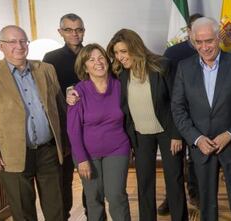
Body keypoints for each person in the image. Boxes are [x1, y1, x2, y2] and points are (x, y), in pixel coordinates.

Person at [67, 29, 188, 221]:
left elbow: (177, 101)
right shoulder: (121, 74)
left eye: (123, 51)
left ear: (135, 48)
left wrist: (177, 134)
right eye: (116, 53)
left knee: (174, 180)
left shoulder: (163, 66)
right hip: (140, 136)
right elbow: (91, 85)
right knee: (144, 183)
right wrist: (70, 92)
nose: (119, 57)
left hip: (167, 132)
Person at [171, 17, 231, 221]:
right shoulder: (184, 68)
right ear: (193, 42)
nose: (204, 47)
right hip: (201, 149)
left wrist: (230, 134)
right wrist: (197, 139)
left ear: (218, 38)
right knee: (206, 207)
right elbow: (178, 108)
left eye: (209, 41)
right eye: (199, 42)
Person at [0, 25, 67, 221]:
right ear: (0, 46)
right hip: (11, 154)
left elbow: (60, 109)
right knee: (22, 210)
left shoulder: (46, 69)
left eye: (23, 41)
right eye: (12, 42)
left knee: (56, 208)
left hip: (48, 150)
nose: (19, 46)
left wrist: (65, 143)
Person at [67, 43, 131, 221]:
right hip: (87, 154)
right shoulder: (77, 92)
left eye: (101, 57)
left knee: (116, 196)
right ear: (84, 66)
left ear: (108, 61)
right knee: (94, 199)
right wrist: (81, 159)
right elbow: (73, 129)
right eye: (91, 59)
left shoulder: (120, 86)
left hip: (117, 149)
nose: (98, 62)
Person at [158, 13, 203, 215]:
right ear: (188, 31)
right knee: (174, 162)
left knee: (198, 158)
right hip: (174, 115)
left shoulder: (210, 50)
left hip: (201, 116)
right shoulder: (173, 52)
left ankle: (197, 194)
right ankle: (172, 197)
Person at [42, 13, 85, 219]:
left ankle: (93, 213)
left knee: (91, 176)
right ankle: (65, 216)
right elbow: (49, 95)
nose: (74, 33)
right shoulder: (51, 59)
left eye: (79, 29)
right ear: (61, 32)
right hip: (65, 127)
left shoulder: (92, 54)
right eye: (69, 29)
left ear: (83, 31)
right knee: (64, 177)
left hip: (90, 124)